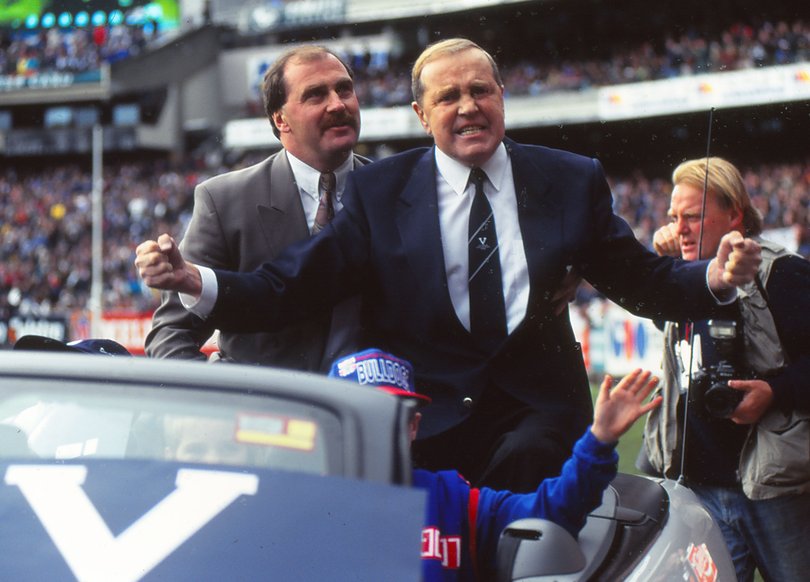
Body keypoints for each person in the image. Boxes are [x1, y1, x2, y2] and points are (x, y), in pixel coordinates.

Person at [135, 38, 761, 493]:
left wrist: (717, 278)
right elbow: (291, 284)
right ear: (421, 114)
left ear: (502, 97)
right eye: (448, 96)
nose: (467, 107)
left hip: (535, 421)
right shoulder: (381, 193)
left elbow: (642, 281)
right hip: (424, 430)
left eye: (479, 90)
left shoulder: (568, 180)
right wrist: (195, 280)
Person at [328, 348, 661, 581]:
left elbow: (549, 514)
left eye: (392, 415)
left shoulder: (451, 497)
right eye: (364, 413)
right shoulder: (303, 501)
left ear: (414, 426)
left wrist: (599, 440)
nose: (379, 427)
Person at [145, 45, 369, 370]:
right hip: (259, 416)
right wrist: (213, 407)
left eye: (344, 89)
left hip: (366, 413)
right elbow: (172, 332)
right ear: (281, 120)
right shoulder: (225, 200)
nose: (338, 104)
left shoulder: (391, 191)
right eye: (316, 95)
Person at [640, 157, 810, 582]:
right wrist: (667, 272)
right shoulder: (681, 276)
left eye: (693, 217)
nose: (678, 228)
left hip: (777, 492)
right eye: (673, 217)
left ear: (734, 214)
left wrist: (776, 392)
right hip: (699, 493)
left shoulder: (782, 273)